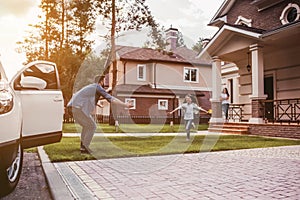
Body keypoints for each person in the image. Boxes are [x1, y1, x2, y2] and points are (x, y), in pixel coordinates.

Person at [67, 75, 132, 153]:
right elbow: (111, 99)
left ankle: (83, 147)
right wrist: (125, 105)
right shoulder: (98, 87)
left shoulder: (92, 87)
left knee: (87, 126)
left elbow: (88, 97)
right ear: (101, 81)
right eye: (103, 81)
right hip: (77, 108)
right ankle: (84, 147)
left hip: (71, 107)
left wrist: (98, 104)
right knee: (92, 126)